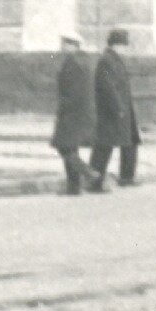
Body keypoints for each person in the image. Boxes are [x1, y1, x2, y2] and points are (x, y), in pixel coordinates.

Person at [91, 29, 142, 188]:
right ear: (116, 45)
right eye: (124, 45)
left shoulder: (115, 59)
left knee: (130, 142)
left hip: (123, 109)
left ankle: (127, 176)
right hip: (113, 110)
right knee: (105, 145)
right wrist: (118, 108)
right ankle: (94, 179)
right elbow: (107, 87)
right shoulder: (106, 60)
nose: (126, 49)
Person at [51, 35, 98, 194]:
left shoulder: (72, 62)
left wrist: (63, 109)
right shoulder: (84, 61)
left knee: (64, 147)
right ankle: (73, 187)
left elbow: (71, 90)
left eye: (64, 44)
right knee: (70, 147)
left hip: (71, 112)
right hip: (82, 112)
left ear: (72, 45)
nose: (62, 47)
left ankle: (87, 172)